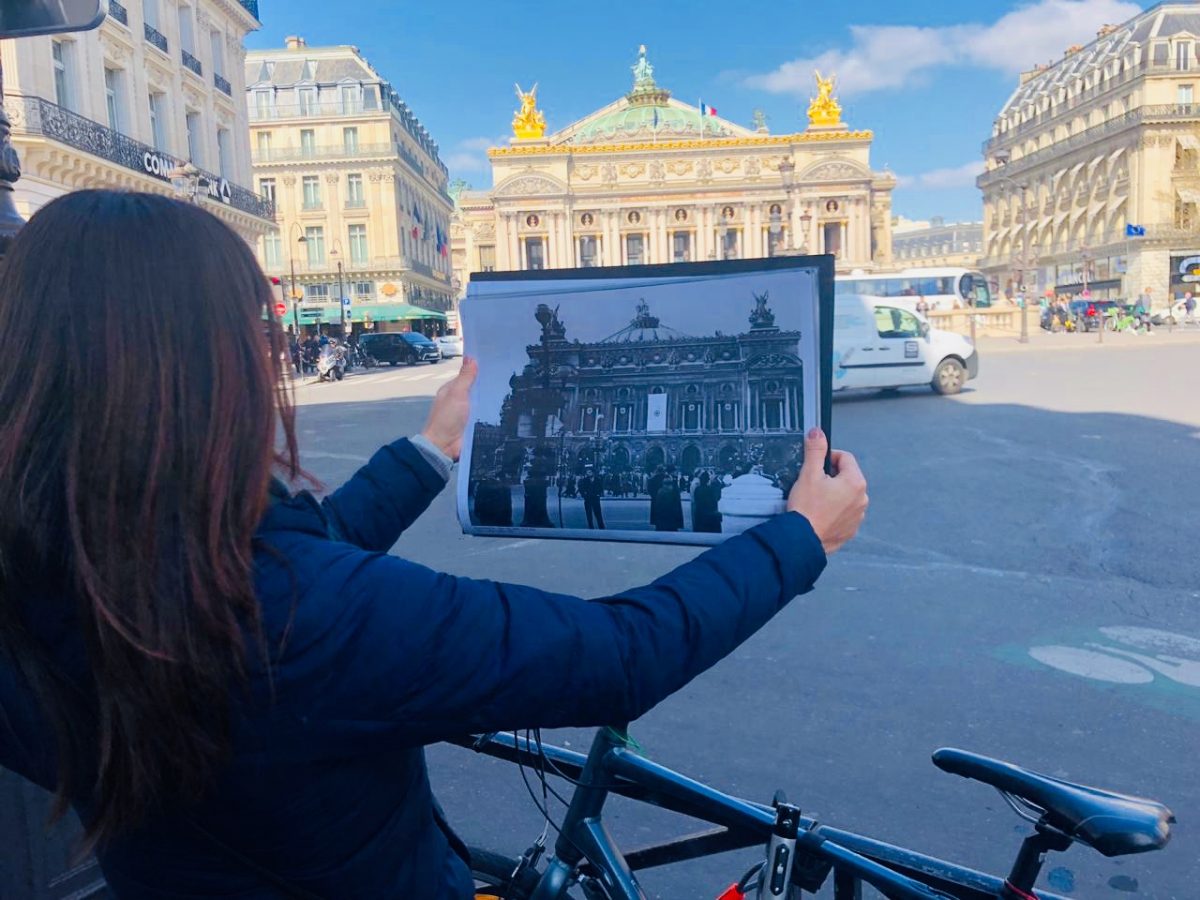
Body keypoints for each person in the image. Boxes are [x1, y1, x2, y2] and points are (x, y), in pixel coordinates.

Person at [0, 191, 867, 899]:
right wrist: (797, 541)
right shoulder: (315, 620)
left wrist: (425, 454)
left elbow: (260, 564)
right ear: (208, 371)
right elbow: (620, 655)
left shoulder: (46, 573)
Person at [578, 466, 606, 530]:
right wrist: (584, 495)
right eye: (587, 472)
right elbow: (581, 488)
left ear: (593, 473)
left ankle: (601, 527)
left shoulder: (597, 480)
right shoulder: (585, 480)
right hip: (588, 499)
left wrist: (599, 494)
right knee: (588, 514)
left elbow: (601, 488)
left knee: (598, 514)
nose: (588, 473)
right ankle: (591, 527)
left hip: (595, 498)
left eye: (590, 472)